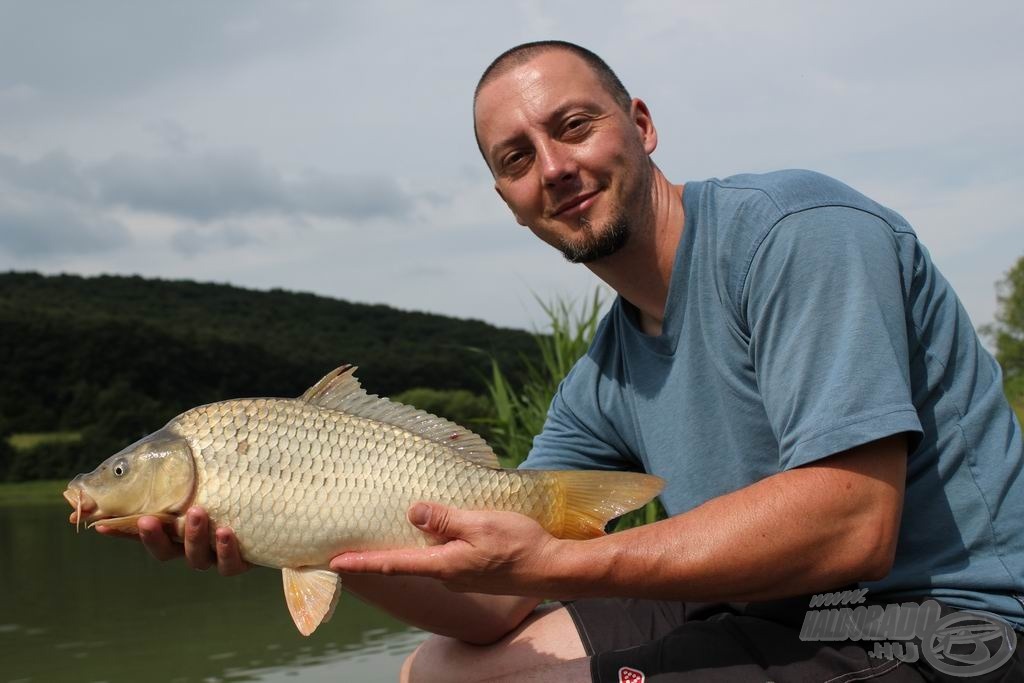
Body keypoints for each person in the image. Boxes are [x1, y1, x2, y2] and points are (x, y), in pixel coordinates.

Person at [110, 41, 1024, 681]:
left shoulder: (797, 235)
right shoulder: (605, 375)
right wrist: (333, 543)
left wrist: (564, 559)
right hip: (764, 602)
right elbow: (499, 602)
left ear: (641, 124)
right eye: (516, 157)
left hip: (938, 621)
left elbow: (853, 522)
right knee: (441, 670)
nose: (552, 166)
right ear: (508, 200)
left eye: (573, 125)